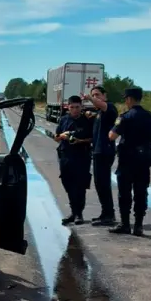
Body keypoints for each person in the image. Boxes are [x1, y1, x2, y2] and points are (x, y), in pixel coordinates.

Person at [108, 87, 151, 236]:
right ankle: (138, 226)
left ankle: (125, 224)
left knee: (125, 193)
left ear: (129, 99)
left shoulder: (125, 117)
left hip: (127, 160)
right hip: (143, 161)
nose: (125, 101)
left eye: (125, 99)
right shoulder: (150, 116)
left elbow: (112, 136)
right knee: (141, 192)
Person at [53, 95, 93, 225]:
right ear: (67, 107)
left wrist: (79, 141)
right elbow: (56, 137)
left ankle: (79, 214)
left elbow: (93, 138)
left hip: (82, 156)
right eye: (72, 107)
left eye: (77, 107)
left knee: (80, 185)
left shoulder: (87, 120)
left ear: (81, 107)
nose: (75, 110)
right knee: (68, 184)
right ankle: (73, 211)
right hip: (66, 156)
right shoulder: (64, 120)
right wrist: (62, 136)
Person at [82, 86, 118, 226]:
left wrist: (90, 98)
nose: (95, 97)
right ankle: (106, 213)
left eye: (97, 95)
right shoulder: (99, 112)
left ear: (105, 96)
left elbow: (102, 106)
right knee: (99, 183)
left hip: (105, 151)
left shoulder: (110, 108)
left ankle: (109, 215)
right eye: (93, 95)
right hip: (98, 151)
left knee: (103, 183)